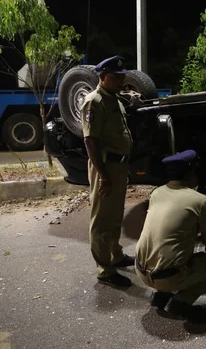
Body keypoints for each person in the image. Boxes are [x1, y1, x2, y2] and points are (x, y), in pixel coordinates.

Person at [135, 149, 206, 320]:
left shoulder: (157, 192)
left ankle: (161, 293)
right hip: (169, 276)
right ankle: (181, 300)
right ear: (191, 173)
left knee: (167, 249)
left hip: (141, 272)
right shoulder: (200, 201)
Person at [81, 55, 135, 289]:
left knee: (114, 214)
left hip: (118, 165)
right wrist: (103, 175)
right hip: (104, 166)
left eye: (122, 77)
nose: (120, 81)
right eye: (115, 77)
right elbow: (90, 141)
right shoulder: (94, 101)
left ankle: (116, 255)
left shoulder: (115, 100)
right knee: (101, 217)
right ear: (102, 77)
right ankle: (104, 269)